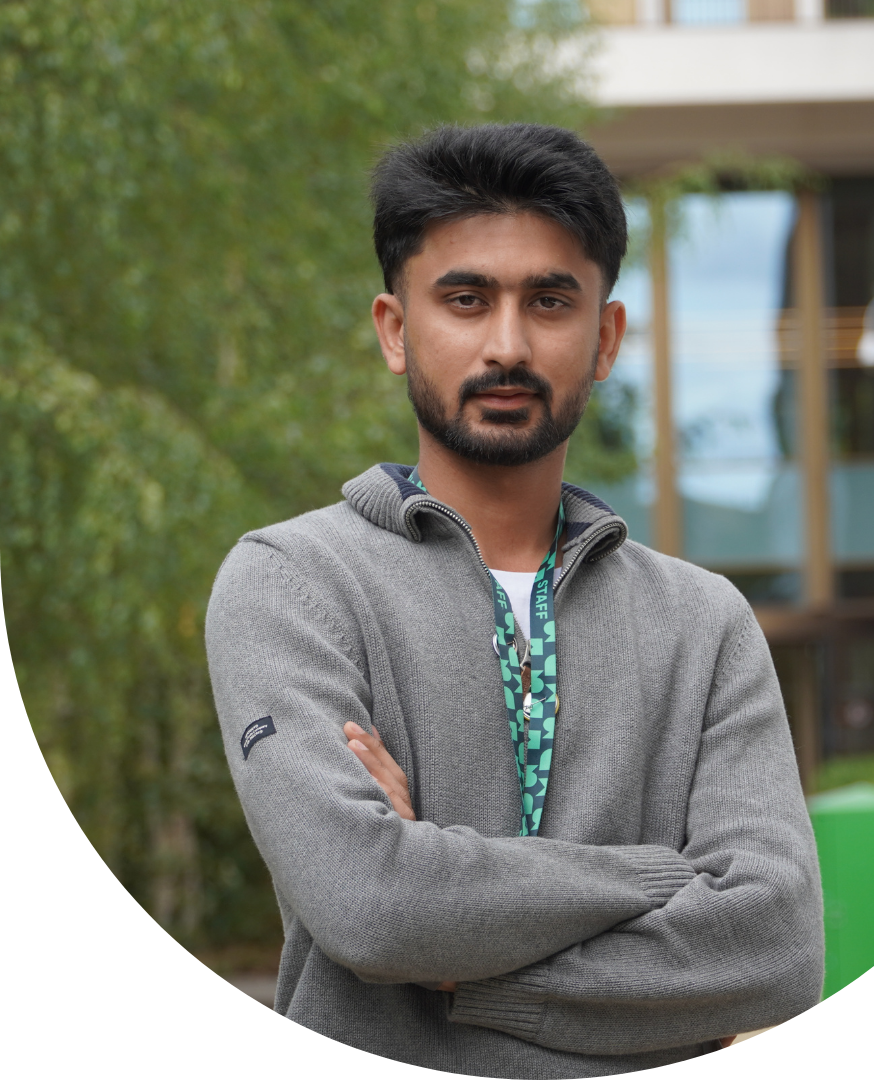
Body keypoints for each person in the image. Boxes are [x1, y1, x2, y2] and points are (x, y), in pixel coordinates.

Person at [206, 122, 824, 1078]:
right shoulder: (293, 583)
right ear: (395, 329)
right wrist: (666, 878)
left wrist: (473, 969)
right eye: (464, 299)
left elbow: (778, 947)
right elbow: (372, 908)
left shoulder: (704, 624)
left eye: (548, 301)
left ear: (606, 335)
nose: (507, 344)